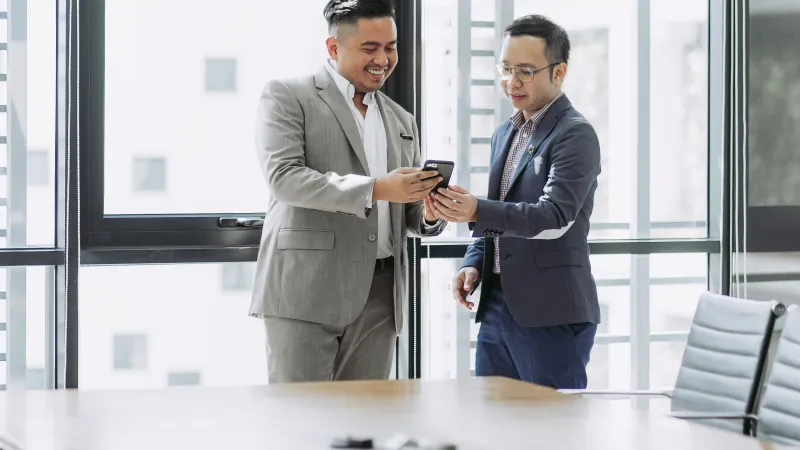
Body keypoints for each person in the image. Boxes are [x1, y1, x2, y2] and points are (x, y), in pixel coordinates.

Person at [250, 0, 446, 383]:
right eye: (369, 48)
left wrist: (429, 212)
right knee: (302, 424)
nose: (383, 59)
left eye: (390, 47)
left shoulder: (402, 120)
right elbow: (285, 177)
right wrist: (377, 188)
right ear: (334, 48)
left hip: (382, 296)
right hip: (307, 289)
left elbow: (405, 215)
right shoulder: (288, 96)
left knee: (366, 426)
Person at [428, 15, 601, 389]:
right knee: (495, 429)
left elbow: (554, 217)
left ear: (559, 72)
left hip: (550, 313)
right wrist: (475, 262)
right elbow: (500, 212)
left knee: (552, 433)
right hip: (496, 307)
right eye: (505, 68)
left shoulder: (575, 134)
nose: (512, 81)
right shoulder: (505, 132)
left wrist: (475, 209)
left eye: (525, 70)